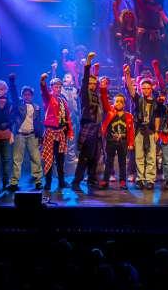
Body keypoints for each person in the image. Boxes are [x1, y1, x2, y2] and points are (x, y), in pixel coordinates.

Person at [71, 53, 102, 192]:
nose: (92, 85)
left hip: (96, 128)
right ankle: (76, 182)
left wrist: (97, 71)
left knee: (95, 156)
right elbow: (84, 80)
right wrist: (88, 63)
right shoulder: (84, 93)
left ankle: (91, 180)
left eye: (94, 83)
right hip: (88, 127)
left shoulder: (96, 95)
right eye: (90, 83)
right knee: (84, 156)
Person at [39, 73, 75, 196]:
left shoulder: (63, 101)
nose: (58, 89)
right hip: (51, 132)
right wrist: (42, 81)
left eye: (60, 87)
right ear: (52, 87)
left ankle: (61, 181)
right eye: (56, 87)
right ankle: (48, 182)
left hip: (61, 133)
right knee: (49, 158)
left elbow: (67, 118)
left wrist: (70, 132)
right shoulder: (49, 98)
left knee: (60, 159)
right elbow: (43, 91)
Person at [7, 73, 43, 192]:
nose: (27, 96)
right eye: (25, 94)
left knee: (36, 159)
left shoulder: (36, 107)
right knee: (17, 159)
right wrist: (12, 82)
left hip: (32, 135)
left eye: (29, 94)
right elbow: (13, 94)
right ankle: (14, 182)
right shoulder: (19, 105)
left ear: (32, 96)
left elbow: (39, 123)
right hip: (20, 135)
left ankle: (38, 181)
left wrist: (40, 137)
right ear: (22, 95)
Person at [99, 76, 135, 190]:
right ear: (113, 103)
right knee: (109, 161)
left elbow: (131, 131)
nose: (119, 103)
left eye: (121, 102)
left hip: (123, 142)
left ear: (124, 104)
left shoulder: (128, 116)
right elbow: (104, 100)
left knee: (122, 162)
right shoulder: (110, 112)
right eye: (117, 101)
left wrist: (131, 143)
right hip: (111, 141)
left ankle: (123, 181)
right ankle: (105, 180)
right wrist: (103, 88)